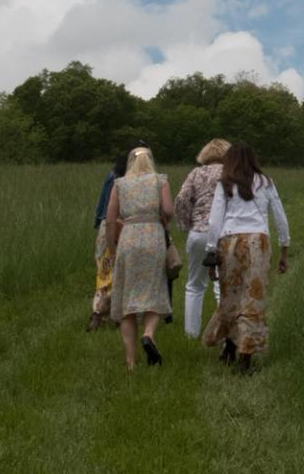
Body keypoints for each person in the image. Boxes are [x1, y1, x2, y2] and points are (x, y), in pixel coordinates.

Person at [202, 143, 290, 373]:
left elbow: (214, 220)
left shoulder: (225, 184)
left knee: (230, 297)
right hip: (258, 243)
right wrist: (284, 248)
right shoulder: (266, 182)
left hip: (229, 242)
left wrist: (211, 251)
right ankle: (245, 355)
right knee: (253, 298)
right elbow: (280, 215)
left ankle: (229, 345)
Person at [104, 146, 175, 369]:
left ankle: (131, 362)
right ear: (151, 161)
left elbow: (109, 219)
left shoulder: (120, 184)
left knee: (127, 300)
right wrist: (162, 219)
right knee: (153, 290)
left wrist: (111, 248)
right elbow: (168, 209)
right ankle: (149, 333)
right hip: (153, 237)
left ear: (130, 162)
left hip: (129, 239)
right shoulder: (160, 180)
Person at [173, 139, 230, 337]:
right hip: (224, 233)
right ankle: (224, 333)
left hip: (198, 233)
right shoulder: (230, 174)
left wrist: (186, 224)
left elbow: (181, 199)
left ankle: (191, 334)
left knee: (194, 285)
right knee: (222, 285)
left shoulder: (196, 173)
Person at [87, 150, 128, 331]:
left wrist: (98, 224)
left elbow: (101, 203)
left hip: (105, 227)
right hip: (121, 228)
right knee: (118, 273)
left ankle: (97, 312)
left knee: (103, 273)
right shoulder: (128, 181)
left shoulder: (111, 175)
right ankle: (113, 314)